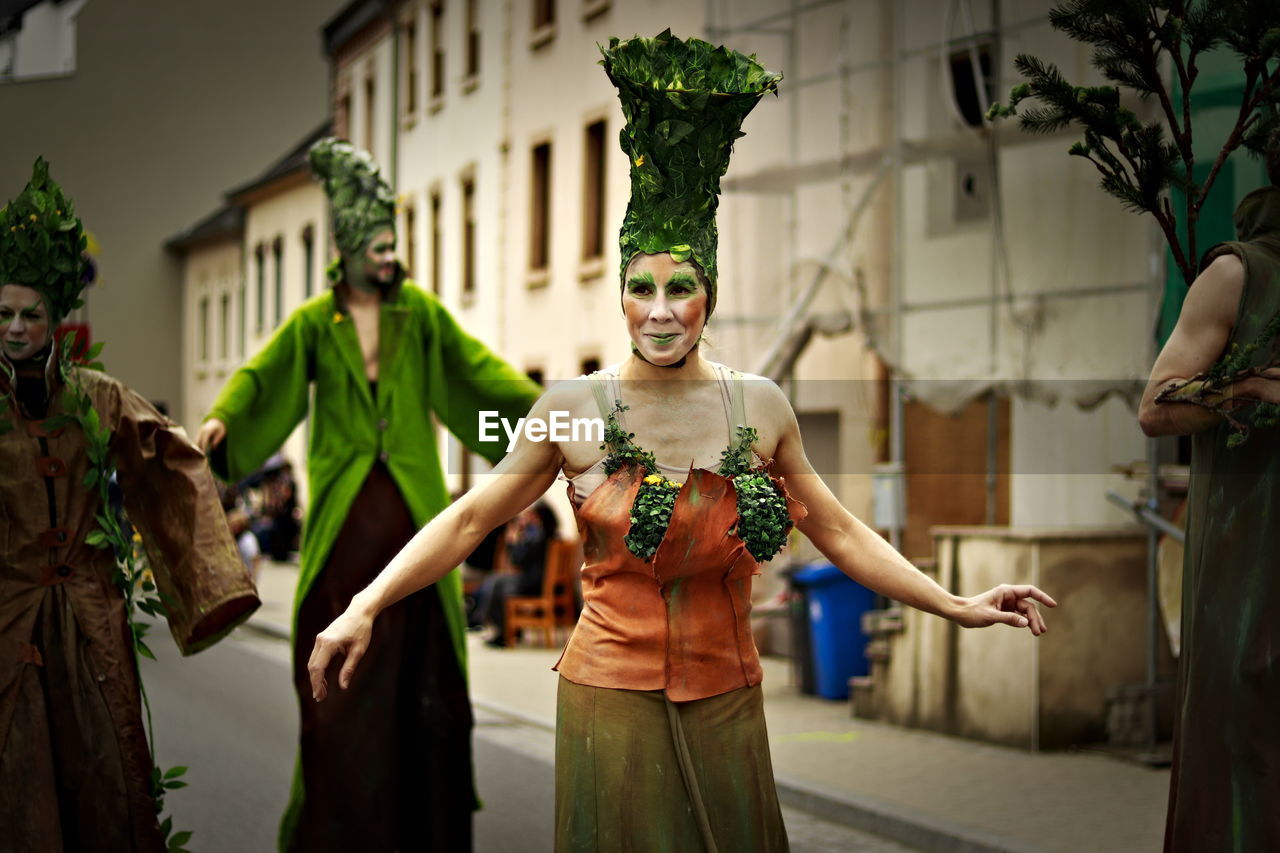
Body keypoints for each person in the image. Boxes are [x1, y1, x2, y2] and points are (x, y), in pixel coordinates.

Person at [307, 32, 1055, 852]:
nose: (660, 310)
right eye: (641, 287)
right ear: (620, 295)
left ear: (709, 296)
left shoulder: (760, 407)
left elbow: (837, 529)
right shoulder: (574, 408)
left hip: (728, 696)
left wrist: (953, 603)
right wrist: (364, 604)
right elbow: (469, 518)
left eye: (681, 288)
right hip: (609, 698)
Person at [194, 138, 539, 852]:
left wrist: (556, 414)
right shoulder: (316, 324)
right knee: (342, 713)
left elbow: (481, 374)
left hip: (417, 545)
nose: (390, 255)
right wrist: (226, 416)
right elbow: (264, 376)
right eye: (378, 244)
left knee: (429, 700)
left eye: (393, 242)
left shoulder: (421, 316)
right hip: (343, 550)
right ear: (348, 248)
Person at [0, 158, 260, 850]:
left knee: (104, 776)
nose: (17, 327)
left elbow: (167, 461)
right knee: (16, 781)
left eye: (31, 313)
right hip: (6, 621)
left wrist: (209, 582)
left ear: (56, 317)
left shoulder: (97, 395)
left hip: (89, 622)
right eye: (4, 313)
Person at [1138, 130, 1280, 851]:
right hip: (1251, 571)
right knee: (1246, 750)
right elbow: (1157, 406)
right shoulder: (1239, 275)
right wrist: (1250, 387)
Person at [475, 501, 560, 646]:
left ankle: (500, 629)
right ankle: (499, 626)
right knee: (497, 581)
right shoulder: (553, 535)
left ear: (539, 517)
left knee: (498, 583)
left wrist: (512, 541)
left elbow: (517, 561)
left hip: (533, 582)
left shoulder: (537, 536)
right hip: (542, 581)